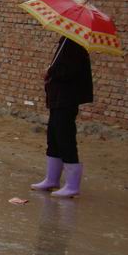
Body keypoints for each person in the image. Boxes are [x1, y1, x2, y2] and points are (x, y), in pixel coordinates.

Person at [31, 37, 93, 197]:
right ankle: (52, 179)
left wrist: (51, 71)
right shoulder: (66, 41)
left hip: (67, 100)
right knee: (53, 136)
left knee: (65, 138)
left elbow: (68, 72)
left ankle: (72, 185)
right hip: (57, 99)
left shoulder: (75, 45)